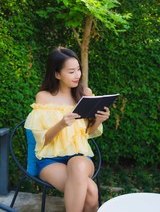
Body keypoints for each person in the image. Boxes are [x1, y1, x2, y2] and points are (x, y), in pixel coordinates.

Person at [24, 46, 110, 212]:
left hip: (80, 157)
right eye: (71, 71)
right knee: (91, 192)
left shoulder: (85, 93)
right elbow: (44, 140)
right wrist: (61, 124)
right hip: (50, 160)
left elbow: (86, 134)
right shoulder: (44, 97)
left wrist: (99, 121)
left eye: (78, 69)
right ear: (57, 74)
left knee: (77, 164)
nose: (77, 75)